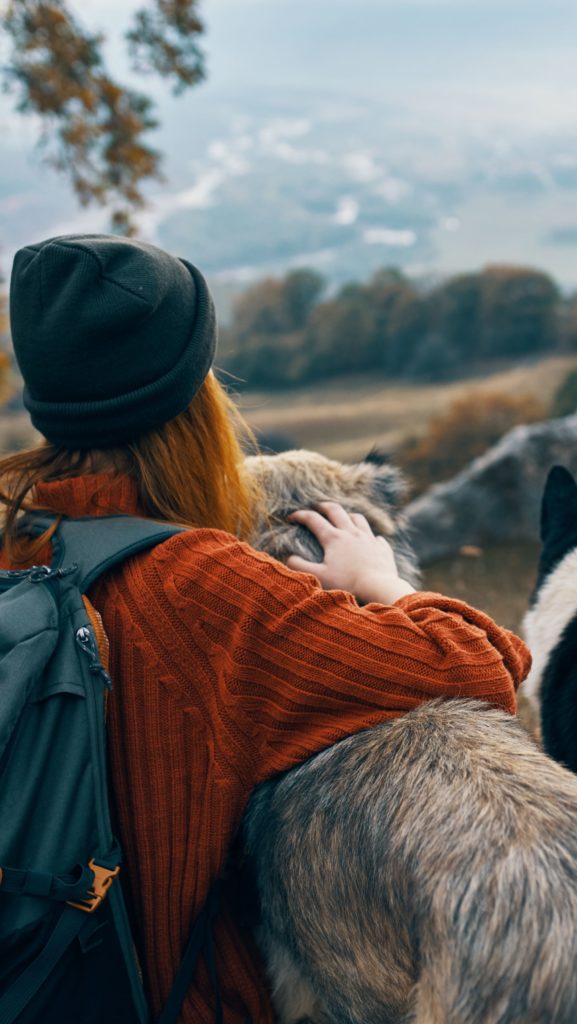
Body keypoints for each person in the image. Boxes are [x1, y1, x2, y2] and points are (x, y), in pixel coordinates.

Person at [1, 234, 530, 1023]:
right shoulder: (211, 590)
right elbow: (484, 667)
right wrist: (378, 583)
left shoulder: (19, 545)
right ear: (190, 401)